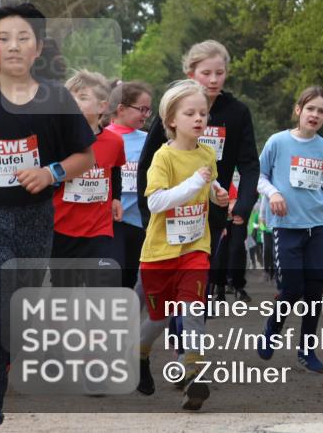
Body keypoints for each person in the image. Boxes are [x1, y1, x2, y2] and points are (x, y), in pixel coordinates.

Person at [0, 3, 95, 433]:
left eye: (24, 37)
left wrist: (51, 172)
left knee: (11, 316)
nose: (13, 46)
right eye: (2, 38)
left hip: (34, 221)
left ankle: (1, 360)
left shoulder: (56, 98)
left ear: (38, 48)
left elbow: (85, 156)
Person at [136, 40, 259, 304]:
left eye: (220, 72)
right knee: (159, 288)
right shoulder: (175, 107)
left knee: (197, 285)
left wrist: (243, 204)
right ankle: (147, 329)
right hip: (168, 212)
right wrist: (147, 212)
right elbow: (146, 163)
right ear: (190, 74)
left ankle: (187, 342)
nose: (213, 80)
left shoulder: (237, 112)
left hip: (207, 212)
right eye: (206, 73)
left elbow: (249, 163)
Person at [137, 79, 229, 411]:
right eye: (189, 113)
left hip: (195, 247)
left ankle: (193, 372)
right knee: (159, 319)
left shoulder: (206, 153)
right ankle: (139, 352)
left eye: (203, 113)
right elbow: (157, 203)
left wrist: (218, 195)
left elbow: (210, 183)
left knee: (193, 309)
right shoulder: (163, 157)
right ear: (171, 120)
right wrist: (195, 184)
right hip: (160, 252)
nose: (198, 118)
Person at [255, 86, 323, 373]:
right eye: (310, 109)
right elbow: (258, 175)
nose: (315, 115)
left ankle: (307, 349)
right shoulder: (278, 142)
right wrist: (273, 194)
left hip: (317, 225)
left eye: (321, 111)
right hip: (286, 226)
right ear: (298, 110)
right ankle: (273, 326)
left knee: (316, 292)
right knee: (292, 289)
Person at [50, 70, 127, 287]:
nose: (74, 103)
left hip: (99, 229)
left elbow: (116, 169)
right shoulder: (57, 139)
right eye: (70, 98)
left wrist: (116, 198)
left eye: (82, 98)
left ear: (102, 106)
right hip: (62, 228)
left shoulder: (114, 142)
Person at [105, 81, 154, 289]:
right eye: (141, 109)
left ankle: (121, 318)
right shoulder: (102, 136)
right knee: (112, 272)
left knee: (130, 276)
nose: (146, 115)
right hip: (108, 220)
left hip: (138, 220)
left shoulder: (149, 140)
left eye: (148, 110)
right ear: (121, 109)